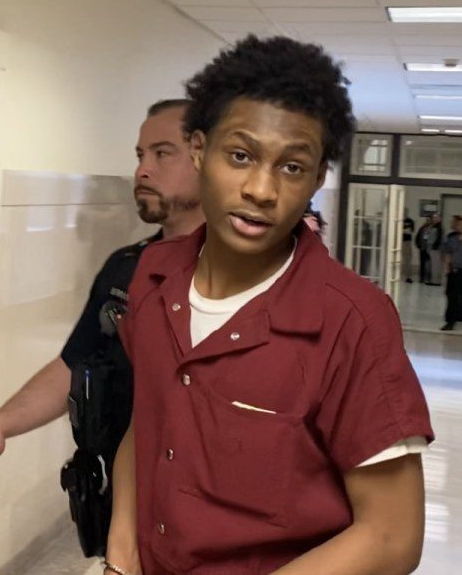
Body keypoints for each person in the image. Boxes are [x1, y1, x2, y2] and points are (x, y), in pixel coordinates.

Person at [105, 36, 434, 575]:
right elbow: (147, 424)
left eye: (291, 167)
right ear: (197, 151)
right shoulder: (153, 277)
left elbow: (392, 536)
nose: (261, 188)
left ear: (317, 178)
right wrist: (120, 558)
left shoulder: (351, 321)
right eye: (241, 155)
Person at [0, 100, 203, 511]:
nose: (143, 170)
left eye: (163, 153)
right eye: (141, 155)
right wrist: (0, 426)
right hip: (129, 505)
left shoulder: (239, 277)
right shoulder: (125, 269)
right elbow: (76, 364)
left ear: (206, 161)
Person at [426, 213, 443, 286]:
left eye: (436, 217)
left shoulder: (439, 228)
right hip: (431, 248)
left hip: (436, 249)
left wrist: (435, 246)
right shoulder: (433, 227)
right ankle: (433, 280)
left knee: (436, 265)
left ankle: (436, 281)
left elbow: (439, 239)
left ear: (439, 219)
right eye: (433, 218)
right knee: (433, 265)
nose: (434, 219)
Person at [415, 215, 432, 283]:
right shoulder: (422, 228)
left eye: (429, 220)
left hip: (429, 249)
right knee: (422, 263)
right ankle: (422, 277)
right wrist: (418, 244)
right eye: (427, 220)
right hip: (422, 248)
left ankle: (428, 277)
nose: (427, 221)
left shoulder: (432, 228)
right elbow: (418, 236)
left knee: (429, 263)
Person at [402, 209, 415, 283]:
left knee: (407, 259)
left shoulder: (410, 221)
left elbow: (410, 231)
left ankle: (408, 276)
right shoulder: (398, 220)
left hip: (407, 241)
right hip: (398, 241)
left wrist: (401, 230)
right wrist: (404, 230)